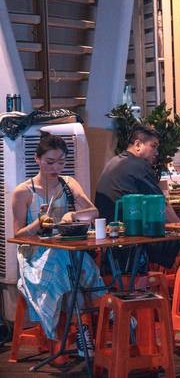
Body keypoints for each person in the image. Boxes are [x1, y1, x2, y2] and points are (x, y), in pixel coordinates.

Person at [13, 133, 104, 344]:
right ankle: (87, 330)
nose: (56, 168)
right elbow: (17, 235)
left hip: (64, 249)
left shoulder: (68, 183)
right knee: (67, 262)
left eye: (61, 162)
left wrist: (73, 215)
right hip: (34, 255)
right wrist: (39, 223)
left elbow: (93, 211)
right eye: (50, 162)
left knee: (71, 261)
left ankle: (89, 330)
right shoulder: (23, 192)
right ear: (37, 159)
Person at [95, 125, 180, 268]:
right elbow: (162, 205)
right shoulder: (139, 166)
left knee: (172, 240)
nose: (156, 152)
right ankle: (177, 291)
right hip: (133, 239)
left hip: (110, 238)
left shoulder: (114, 162)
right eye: (153, 146)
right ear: (138, 145)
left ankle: (164, 284)